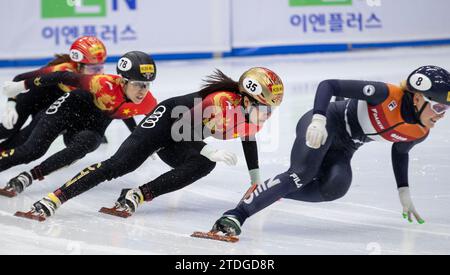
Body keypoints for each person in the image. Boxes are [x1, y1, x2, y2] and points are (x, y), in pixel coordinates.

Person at [207, 65, 449, 237]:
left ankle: (269, 190)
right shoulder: (385, 94)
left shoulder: (420, 131)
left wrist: (404, 192)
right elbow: (329, 85)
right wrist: (318, 119)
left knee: (335, 187)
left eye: (446, 109)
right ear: (418, 98)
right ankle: (235, 215)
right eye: (438, 107)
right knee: (302, 174)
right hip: (325, 124)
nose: (441, 115)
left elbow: (401, 151)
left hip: (346, 146)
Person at [22, 67, 284, 219]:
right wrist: (209, 148)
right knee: (119, 165)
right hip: (165, 122)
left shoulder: (252, 114)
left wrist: (254, 180)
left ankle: (137, 194)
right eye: (265, 108)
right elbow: (184, 126)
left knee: (204, 165)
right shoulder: (221, 101)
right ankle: (53, 199)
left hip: (182, 139)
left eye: (271, 110)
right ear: (247, 99)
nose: (267, 115)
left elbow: (249, 138)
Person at [0, 51, 158, 196]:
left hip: (91, 125)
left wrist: (141, 137)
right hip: (67, 110)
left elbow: (127, 111)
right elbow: (62, 76)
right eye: (137, 84)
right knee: (32, 150)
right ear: (123, 81)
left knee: (88, 143)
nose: (142, 91)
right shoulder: (101, 83)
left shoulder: (148, 103)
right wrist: (20, 86)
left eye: (147, 84)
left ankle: (28, 177)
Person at [0, 36, 137, 151]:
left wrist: (137, 135)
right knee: (7, 130)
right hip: (32, 97)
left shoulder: (97, 81)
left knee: (25, 139)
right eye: (94, 68)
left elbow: (120, 106)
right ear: (78, 65)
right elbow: (19, 78)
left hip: (50, 104)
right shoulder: (62, 70)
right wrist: (11, 103)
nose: (99, 72)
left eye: (101, 67)